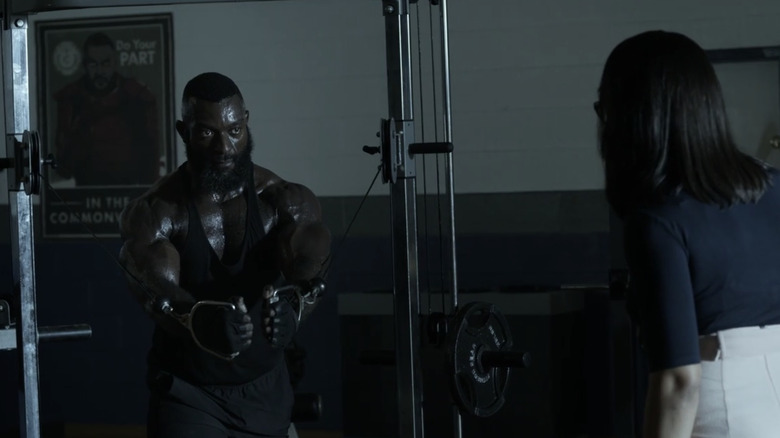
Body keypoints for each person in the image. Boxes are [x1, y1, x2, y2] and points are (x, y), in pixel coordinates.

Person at [118, 72, 331, 437]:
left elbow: (311, 269)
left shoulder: (283, 202)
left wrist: (295, 307)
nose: (225, 149)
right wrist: (199, 322)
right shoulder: (157, 212)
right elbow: (156, 296)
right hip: (190, 394)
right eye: (207, 133)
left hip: (267, 390)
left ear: (245, 122)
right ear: (184, 132)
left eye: (234, 131)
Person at [596, 30, 780, 438]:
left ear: (631, 118)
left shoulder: (659, 222)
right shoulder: (774, 188)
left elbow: (680, 382)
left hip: (725, 414)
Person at [54, 32, 160, 186]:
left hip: (129, 189)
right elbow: (63, 166)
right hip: (85, 191)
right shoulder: (71, 98)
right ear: (85, 65)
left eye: (105, 63)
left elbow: (150, 156)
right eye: (93, 64)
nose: (100, 71)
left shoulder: (137, 97)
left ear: (114, 63)